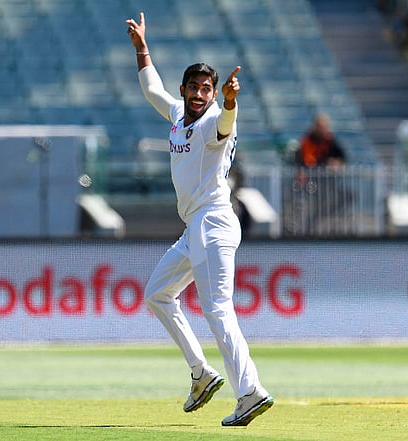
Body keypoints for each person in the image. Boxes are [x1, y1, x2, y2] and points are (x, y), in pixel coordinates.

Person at [125, 12, 273, 427]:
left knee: (217, 308)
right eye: (194, 87)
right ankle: (201, 373)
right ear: (184, 89)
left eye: (206, 89)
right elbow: (152, 88)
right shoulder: (177, 115)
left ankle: (249, 391)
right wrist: (141, 46)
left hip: (215, 221)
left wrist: (229, 101)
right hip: (196, 227)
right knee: (157, 293)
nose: (198, 94)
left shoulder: (213, 119)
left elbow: (226, 124)